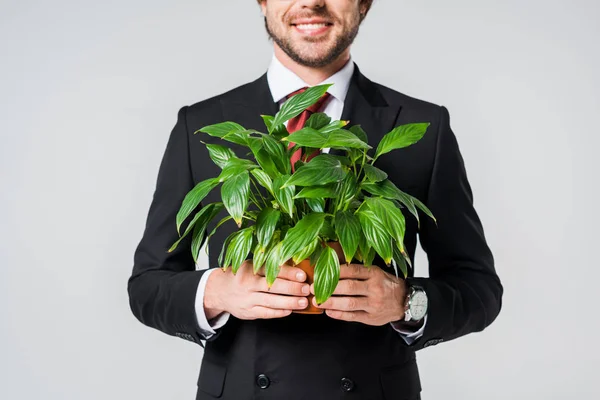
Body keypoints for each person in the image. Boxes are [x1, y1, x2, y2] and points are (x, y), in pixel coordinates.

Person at [128, 1, 503, 399]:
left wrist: (404, 302)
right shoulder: (202, 126)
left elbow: (479, 290)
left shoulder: (421, 127)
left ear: (363, 4)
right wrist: (217, 292)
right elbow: (148, 286)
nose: (311, 2)